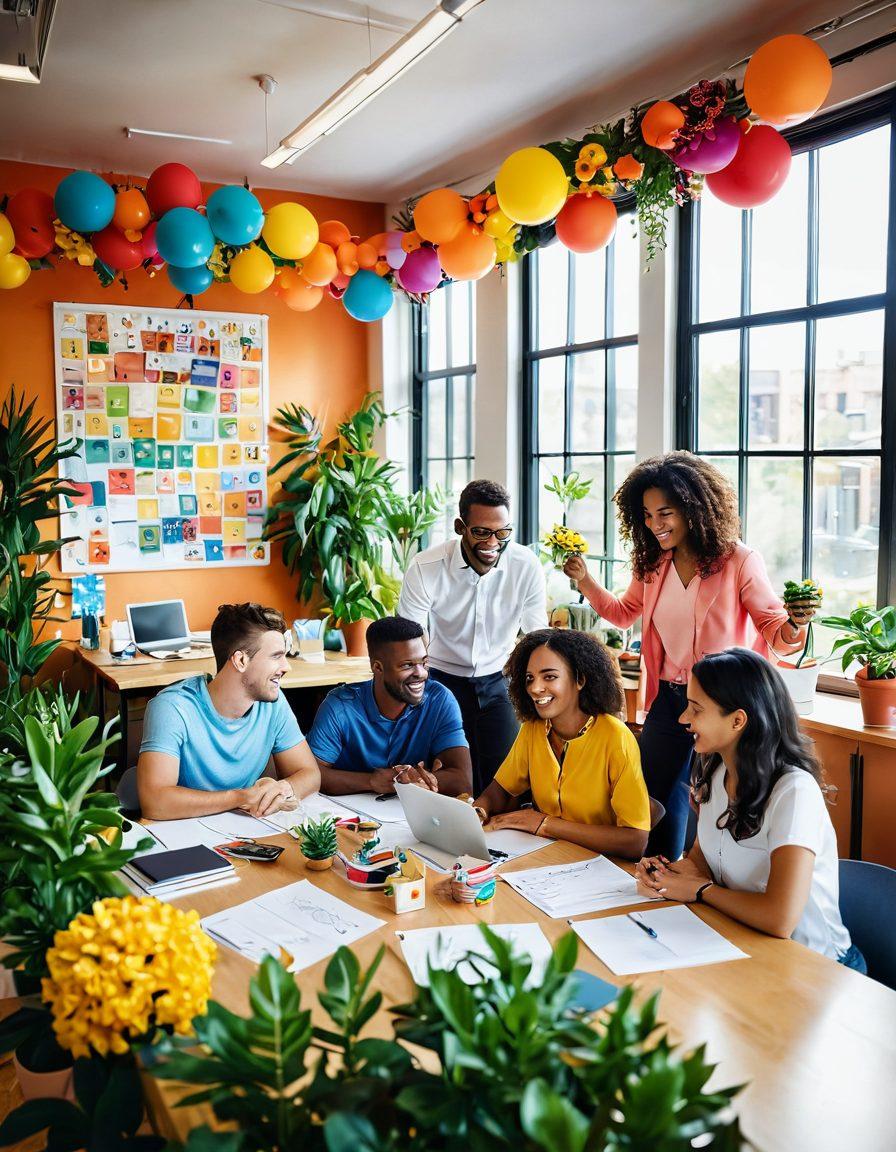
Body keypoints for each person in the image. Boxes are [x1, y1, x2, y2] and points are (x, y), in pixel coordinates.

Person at [564, 451, 815, 860]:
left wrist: (797, 623)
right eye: (646, 515)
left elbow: (775, 631)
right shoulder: (652, 563)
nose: (655, 525)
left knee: (714, 797)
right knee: (653, 797)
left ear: (694, 508)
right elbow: (623, 615)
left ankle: (707, 887)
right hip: (668, 699)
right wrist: (586, 580)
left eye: (665, 513)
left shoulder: (738, 560)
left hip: (723, 704)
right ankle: (657, 875)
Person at [635, 649, 865, 971]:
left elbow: (780, 918)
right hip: (745, 943)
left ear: (738, 720)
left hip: (816, 966)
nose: (683, 719)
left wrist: (700, 890)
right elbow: (702, 861)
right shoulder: (715, 772)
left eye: (696, 709)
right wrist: (666, 874)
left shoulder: (793, 792)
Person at [398, 479, 547, 793]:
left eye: (502, 532)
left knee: (506, 783)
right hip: (441, 680)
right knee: (444, 781)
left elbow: (537, 637)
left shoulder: (527, 566)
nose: (493, 542)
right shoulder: (426, 567)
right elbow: (410, 639)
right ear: (460, 526)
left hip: (500, 681)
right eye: (481, 532)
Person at [473, 629, 651, 859]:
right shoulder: (533, 729)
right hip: (545, 858)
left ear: (580, 680)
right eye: (530, 678)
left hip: (600, 866)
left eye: (549, 677)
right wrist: (476, 811)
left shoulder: (615, 737)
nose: (535, 688)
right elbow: (501, 790)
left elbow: (635, 841)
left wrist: (545, 824)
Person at [137, 603, 320, 820]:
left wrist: (282, 789)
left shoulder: (274, 703)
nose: (286, 666)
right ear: (241, 660)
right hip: (181, 835)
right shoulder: (172, 708)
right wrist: (241, 798)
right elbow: (155, 802)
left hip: (242, 833)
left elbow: (310, 774)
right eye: (276, 656)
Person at [307, 615, 472, 797]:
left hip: (411, 817)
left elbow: (463, 781)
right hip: (349, 817)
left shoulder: (439, 700)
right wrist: (371, 781)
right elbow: (310, 774)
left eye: (424, 662)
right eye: (407, 665)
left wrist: (413, 779)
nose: (421, 673)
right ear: (378, 668)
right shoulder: (339, 707)